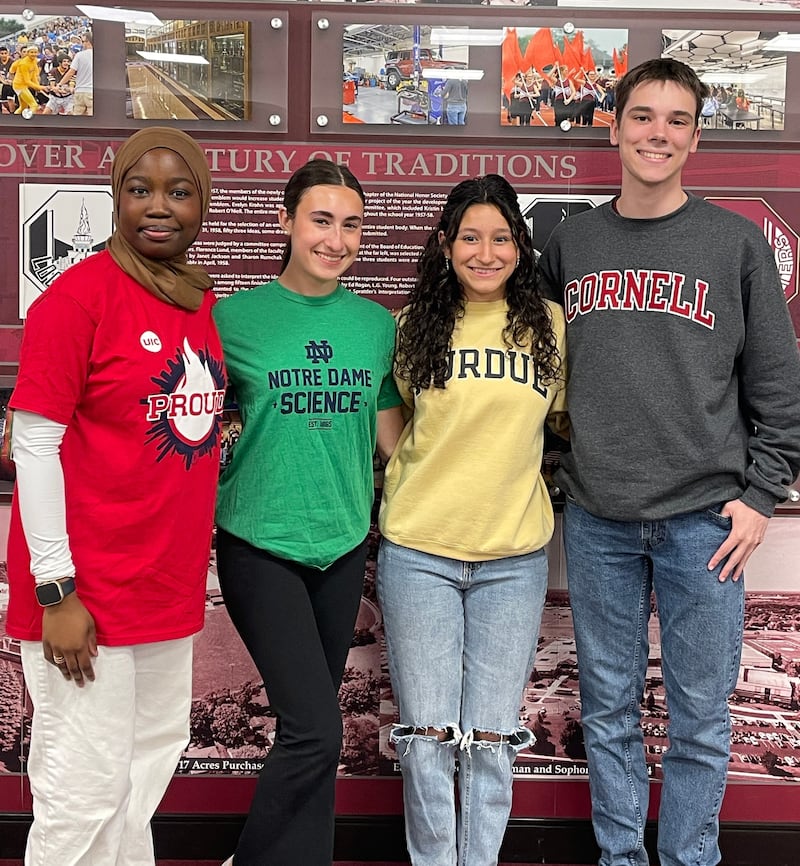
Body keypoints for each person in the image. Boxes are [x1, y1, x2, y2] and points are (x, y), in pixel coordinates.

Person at [538, 58, 800, 866]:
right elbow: (539, 372)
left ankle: (689, 859)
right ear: (612, 127)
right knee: (608, 710)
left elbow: (778, 384)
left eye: (676, 119)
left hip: (705, 525)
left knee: (701, 717)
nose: (658, 133)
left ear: (695, 136)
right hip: (600, 518)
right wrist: (554, 472)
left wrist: (762, 492)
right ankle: (621, 859)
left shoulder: (735, 244)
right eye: (642, 116)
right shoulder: (570, 242)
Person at [6, 127, 225, 866]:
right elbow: (32, 446)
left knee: (145, 770)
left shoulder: (194, 300)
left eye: (178, 190)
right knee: (81, 792)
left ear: (202, 203)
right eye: (140, 190)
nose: (157, 208)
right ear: (116, 198)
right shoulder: (76, 299)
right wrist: (55, 590)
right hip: (84, 597)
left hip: (160, 590)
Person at [213, 158, 404, 866]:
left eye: (350, 224)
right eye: (321, 221)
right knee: (318, 731)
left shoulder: (373, 326)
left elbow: (392, 441)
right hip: (260, 544)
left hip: (342, 543)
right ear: (286, 222)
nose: (336, 239)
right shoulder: (232, 319)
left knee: (310, 734)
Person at [377, 175, 568, 866]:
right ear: (445, 245)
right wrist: (419, 472)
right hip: (420, 551)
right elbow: (387, 410)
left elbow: (565, 422)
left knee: (491, 737)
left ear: (520, 244)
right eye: (469, 238)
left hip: (512, 559)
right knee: (426, 739)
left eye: (500, 238)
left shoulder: (550, 325)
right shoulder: (411, 326)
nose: (485, 253)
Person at [58, 30, 92, 115]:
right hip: (92, 92)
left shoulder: (79, 55)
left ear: (88, 42)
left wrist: (60, 84)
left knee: (77, 121)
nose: (82, 44)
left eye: (83, 42)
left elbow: (71, 72)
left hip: (80, 91)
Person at [9, 44, 46, 114]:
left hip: (25, 86)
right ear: (28, 53)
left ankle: (14, 120)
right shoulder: (23, 64)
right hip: (19, 86)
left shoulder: (34, 61)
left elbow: (34, 76)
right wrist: (40, 87)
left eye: (35, 52)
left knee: (23, 107)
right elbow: (27, 81)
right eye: (31, 52)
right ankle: (28, 120)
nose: (33, 54)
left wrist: (37, 87)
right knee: (34, 105)